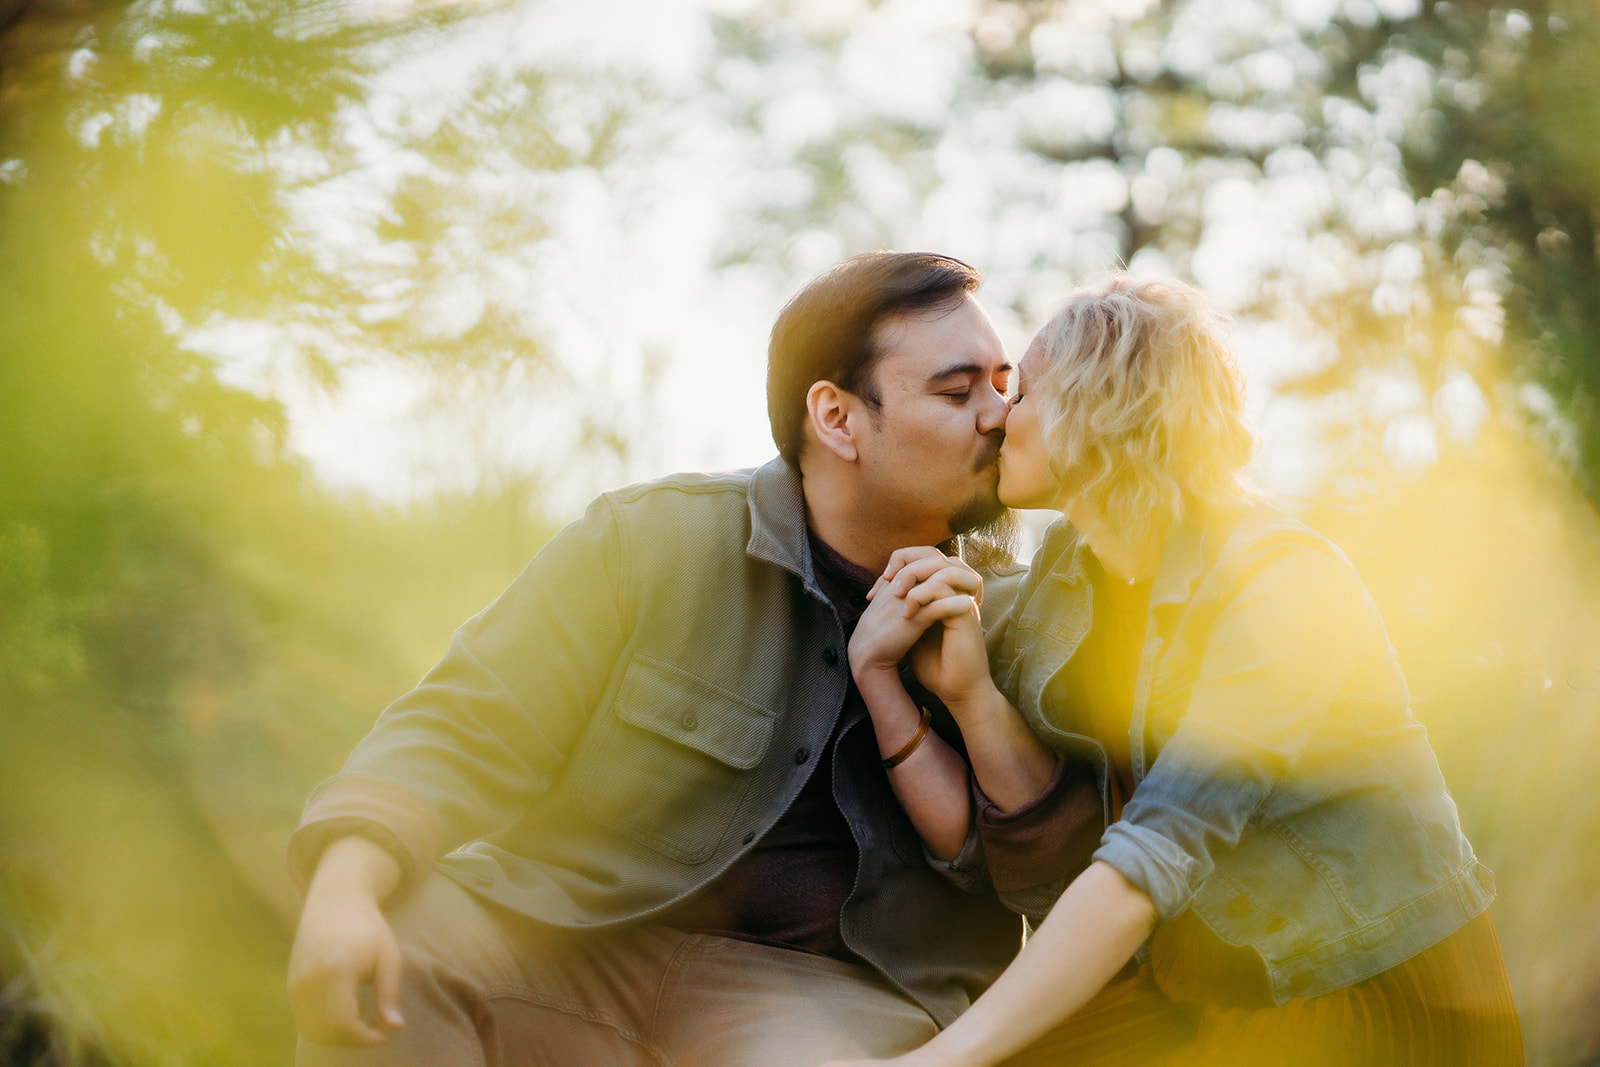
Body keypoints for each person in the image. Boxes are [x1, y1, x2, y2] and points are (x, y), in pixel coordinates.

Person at [284, 251, 1098, 1066]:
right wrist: (344, 887)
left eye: (1004, 385)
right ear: (838, 417)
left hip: (840, 1001)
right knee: (400, 935)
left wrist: (970, 701)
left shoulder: (1018, 618)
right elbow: (464, 723)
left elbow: (1066, 885)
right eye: (958, 392)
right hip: (573, 945)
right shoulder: (648, 541)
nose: (999, 415)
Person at [829, 273, 1523, 1067]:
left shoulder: (1284, 584)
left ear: (1099, 407)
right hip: (1199, 980)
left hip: (1373, 995)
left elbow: (1153, 854)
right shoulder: (1068, 572)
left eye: (1020, 391)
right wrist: (905, 682)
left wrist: (935, 1063)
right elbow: (1011, 829)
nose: (998, 419)